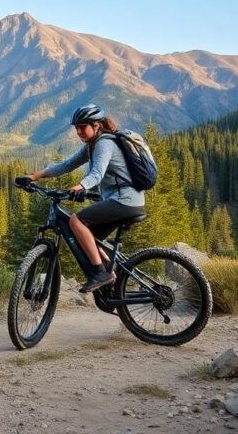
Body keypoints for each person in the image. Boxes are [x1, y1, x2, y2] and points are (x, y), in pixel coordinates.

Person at [15, 104, 146, 293]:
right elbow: (67, 165)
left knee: (77, 221)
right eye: (76, 128)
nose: (78, 131)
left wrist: (81, 186)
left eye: (82, 127)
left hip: (125, 200)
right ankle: (114, 276)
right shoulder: (91, 146)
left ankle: (101, 274)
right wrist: (35, 176)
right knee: (89, 236)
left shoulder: (104, 143)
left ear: (97, 125)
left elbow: (97, 173)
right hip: (124, 200)